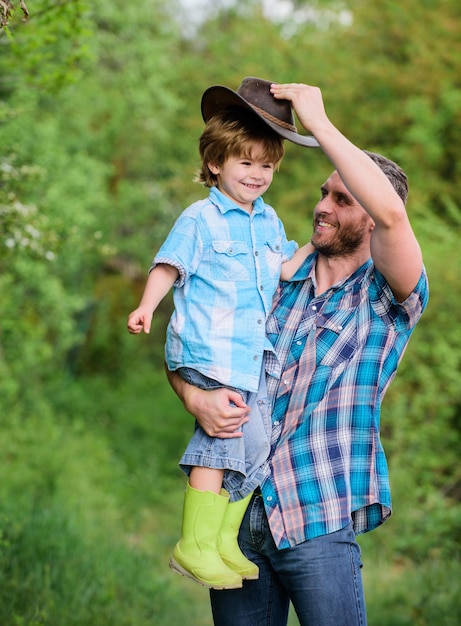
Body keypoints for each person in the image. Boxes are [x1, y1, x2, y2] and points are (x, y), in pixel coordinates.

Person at [167, 82, 429, 626]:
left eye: (342, 198)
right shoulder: (273, 273)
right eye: (323, 192)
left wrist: (320, 125)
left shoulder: (386, 296)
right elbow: (196, 345)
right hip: (237, 523)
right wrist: (195, 397)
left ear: (372, 216)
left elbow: (393, 217)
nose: (321, 206)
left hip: (316, 517)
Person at [127, 78, 318, 590]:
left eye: (267, 166)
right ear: (216, 163)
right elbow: (168, 265)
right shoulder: (201, 218)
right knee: (224, 433)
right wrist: (147, 305)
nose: (257, 175)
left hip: (246, 357)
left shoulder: (268, 219)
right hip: (206, 350)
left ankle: (219, 541)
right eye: (246, 163)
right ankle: (193, 544)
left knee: (254, 445)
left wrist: (313, 250)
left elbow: (281, 269)